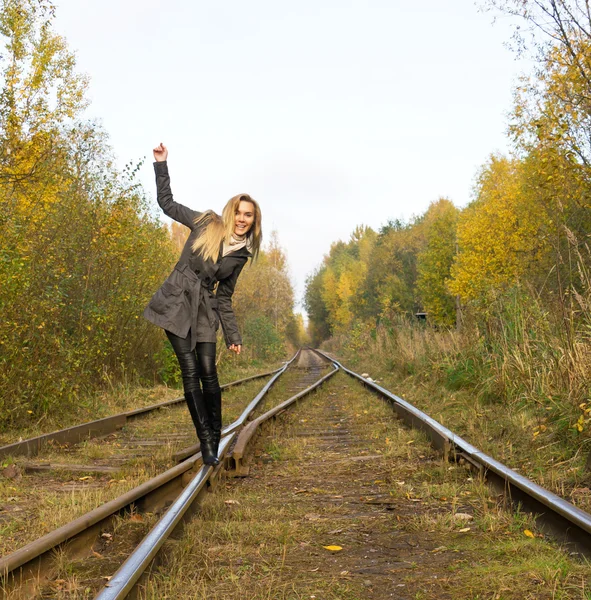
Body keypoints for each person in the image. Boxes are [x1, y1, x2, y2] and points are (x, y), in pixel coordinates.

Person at [144, 143, 262, 465]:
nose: (241, 219)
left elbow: (224, 297)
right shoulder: (206, 222)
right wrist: (161, 164)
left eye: (247, 216)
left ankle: (216, 429)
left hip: (205, 309)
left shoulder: (241, 256)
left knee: (209, 371)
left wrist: (233, 336)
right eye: (238, 212)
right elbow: (166, 203)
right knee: (190, 371)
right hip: (176, 301)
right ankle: (207, 440)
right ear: (230, 211)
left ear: (253, 221)